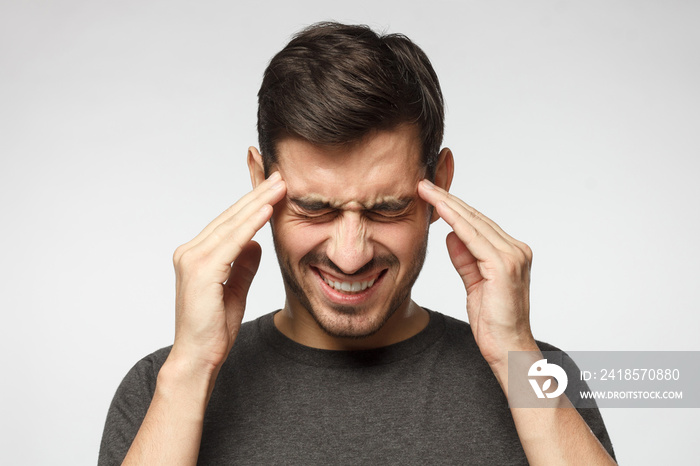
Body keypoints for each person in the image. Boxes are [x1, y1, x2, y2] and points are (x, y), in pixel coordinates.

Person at [99, 22, 616, 465]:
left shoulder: (539, 376)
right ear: (261, 183)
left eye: (387, 209)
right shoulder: (160, 387)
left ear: (440, 185)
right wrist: (191, 368)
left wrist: (513, 356)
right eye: (314, 208)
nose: (351, 255)